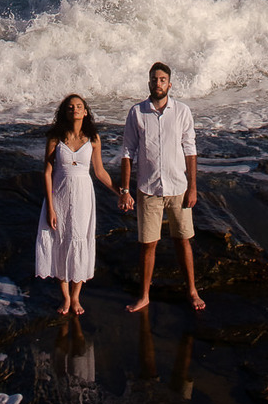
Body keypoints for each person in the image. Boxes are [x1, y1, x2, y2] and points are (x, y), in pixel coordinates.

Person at [118, 62, 205, 313]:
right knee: (148, 244)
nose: (158, 83)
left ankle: (192, 290)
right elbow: (127, 152)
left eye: (163, 79)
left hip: (179, 187)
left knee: (183, 240)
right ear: (149, 83)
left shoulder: (182, 111)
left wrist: (193, 188)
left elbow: (190, 150)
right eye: (154, 79)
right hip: (148, 189)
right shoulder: (137, 112)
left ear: (170, 83)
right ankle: (144, 295)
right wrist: (125, 190)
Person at [35, 92, 116, 315]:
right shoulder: (55, 138)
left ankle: (77, 296)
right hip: (59, 193)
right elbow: (48, 172)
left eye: (79, 106)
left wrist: (120, 192)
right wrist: (50, 206)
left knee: (80, 238)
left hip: (83, 195)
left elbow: (99, 172)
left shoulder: (93, 138)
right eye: (70, 107)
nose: (75, 110)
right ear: (64, 112)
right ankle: (65, 298)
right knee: (60, 240)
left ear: (86, 111)